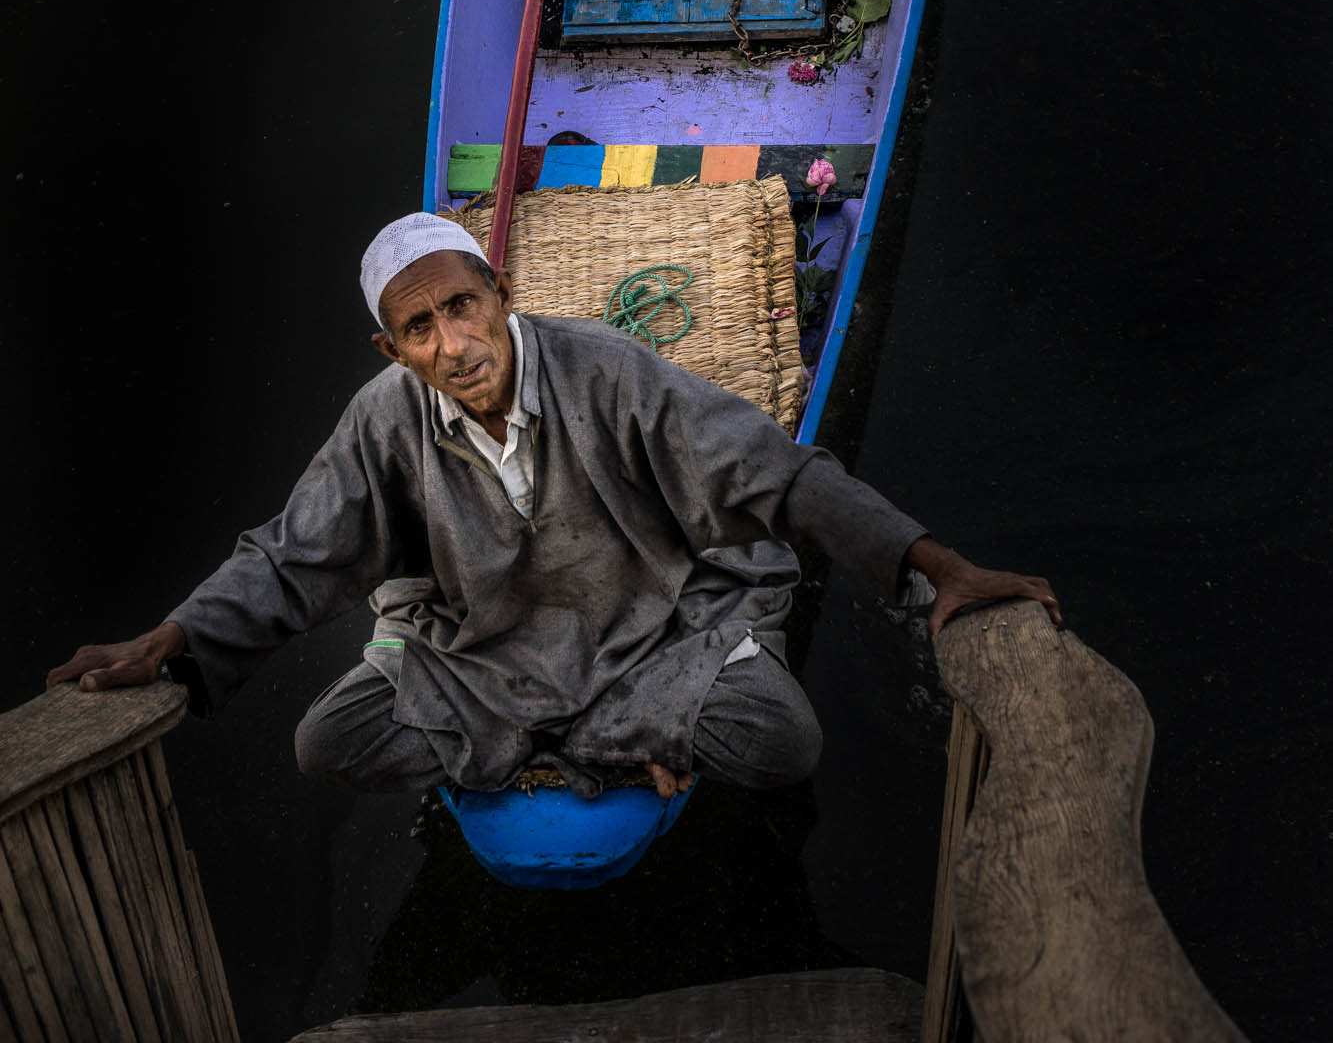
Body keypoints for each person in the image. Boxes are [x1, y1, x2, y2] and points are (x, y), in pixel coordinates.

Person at [47, 213, 1060, 801]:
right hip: (491, 654)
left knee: (780, 738)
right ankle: (594, 748)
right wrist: (169, 636)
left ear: (499, 293)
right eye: (418, 328)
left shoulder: (608, 369)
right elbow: (289, 557)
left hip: (645, 631)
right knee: (327, 740)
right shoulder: (383, 419)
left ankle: (548, 752)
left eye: (462, 306)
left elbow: (775, 474)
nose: (452, 343)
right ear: (391, 349)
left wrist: (938, 563)